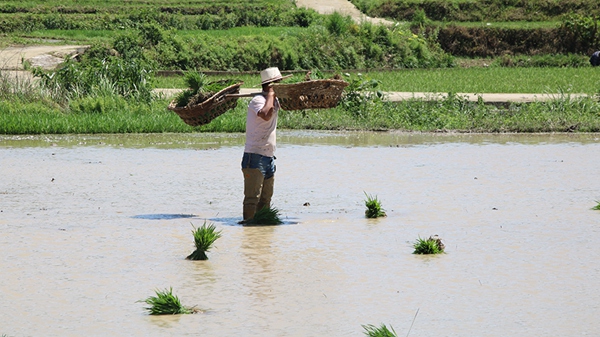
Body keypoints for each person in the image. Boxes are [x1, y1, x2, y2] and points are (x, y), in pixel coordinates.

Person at [240, 67, 291, 222]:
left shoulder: (274, 101)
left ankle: (261, 235)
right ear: (270, 86)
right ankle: (248, 227)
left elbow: (293, 105)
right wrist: (270, 94)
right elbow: (266, 115)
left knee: (265, 200)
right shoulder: (258, 101)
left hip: (269, 157)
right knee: (252, 199)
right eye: (278, 84)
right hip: (254, 157)